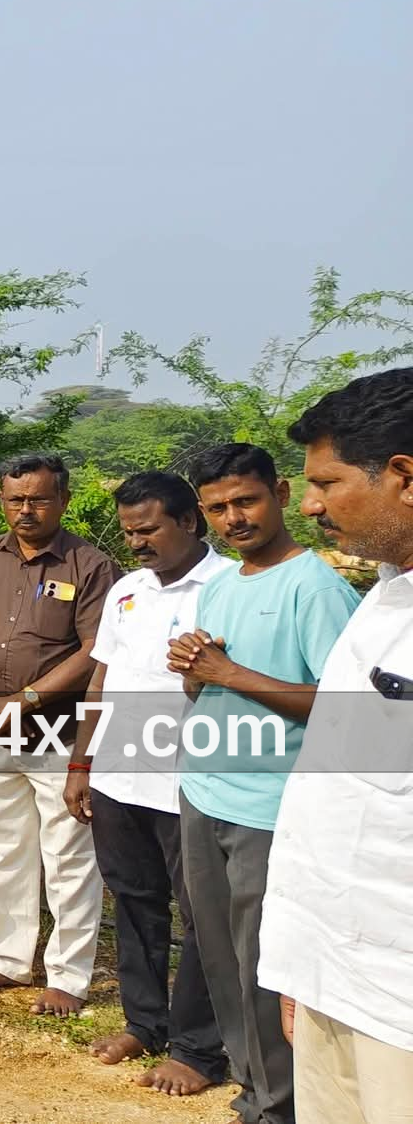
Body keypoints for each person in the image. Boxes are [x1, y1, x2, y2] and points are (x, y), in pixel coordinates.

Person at [168, 443, 359, 1124]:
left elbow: (343, 705)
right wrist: (193, 669)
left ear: (278, 493)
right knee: (219, 955)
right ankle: (253, 1088)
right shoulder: (222, 585)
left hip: (271, 806)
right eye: (218, 508)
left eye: (245, 500)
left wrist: (227, 673)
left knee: (265, 964)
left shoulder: (316, 587)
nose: (234, 518)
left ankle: (281, 1105)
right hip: (205, 790)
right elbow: (206, 686)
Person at [258, 368, 413, 1122]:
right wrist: (303, 963)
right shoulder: (383, 595)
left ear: (404, 477)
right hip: (336, 970)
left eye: (327, 482)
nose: (310, 503)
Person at [63, 471, 233, 1097]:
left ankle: (198, 1048)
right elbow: (101, 680)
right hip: (119, 779)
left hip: (192, 785)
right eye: (129, 531)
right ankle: (144, 1022)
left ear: (188, 521)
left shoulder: (227, 587)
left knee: (202, 915)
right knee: (134, 903)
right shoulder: (126, 591)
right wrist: (82, 764)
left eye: (149, 529)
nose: (136, 542)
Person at [0, 452, 117, 1017]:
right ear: (2, 501)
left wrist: (25, 699)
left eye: (39, 499)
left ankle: (68, 976)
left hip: (58, 734)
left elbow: (96, 651)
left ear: (63, 500)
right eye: (15, 499)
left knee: (68, 858)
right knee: (1, 849)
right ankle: (8, 959)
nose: (26, 510)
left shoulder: (89, 566)